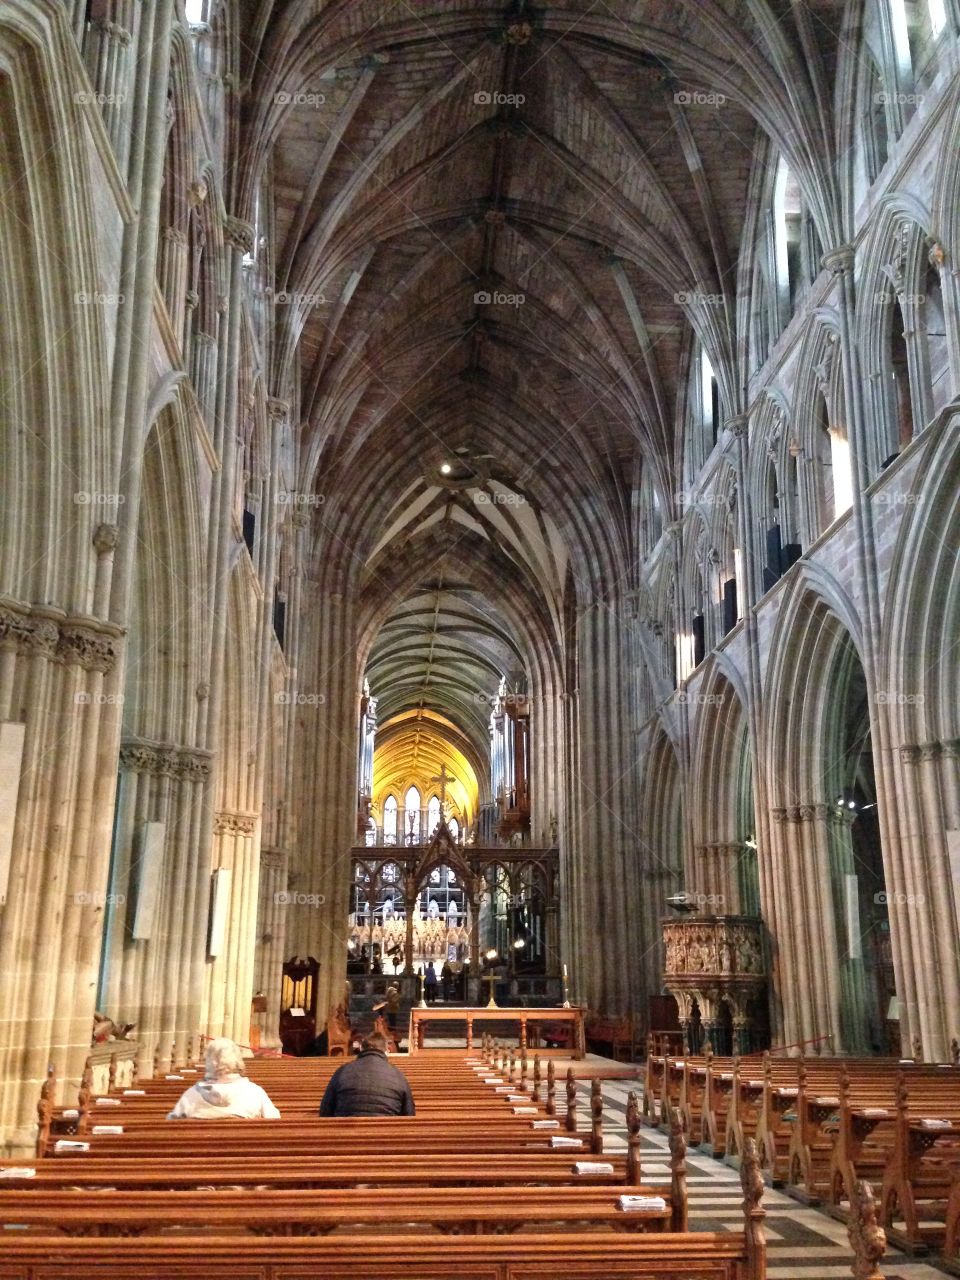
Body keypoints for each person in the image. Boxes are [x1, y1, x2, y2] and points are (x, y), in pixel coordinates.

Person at [167, 1037, 280, 1119]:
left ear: (209, 1061)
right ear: (237, 1059)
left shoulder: (192, 1095)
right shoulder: (254, 1092)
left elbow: (172, 1123)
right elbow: (274, 1121)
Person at [319, 1032, 415, 1116]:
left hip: (347, 1134)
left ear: (361, 1048)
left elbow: (325, 1111)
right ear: (386, 1050)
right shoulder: (397, 1075)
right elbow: (409, 1113)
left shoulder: (342, 1071)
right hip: (385, 1133)